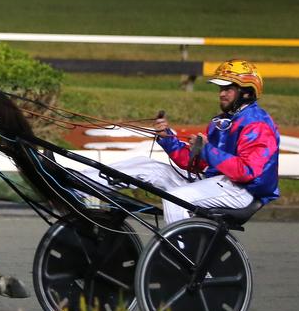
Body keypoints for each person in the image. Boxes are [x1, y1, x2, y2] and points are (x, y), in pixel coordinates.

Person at [110, 59, 280, 225]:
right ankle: (83, 191)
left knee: (175, 199)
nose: (221, 93)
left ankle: (179, 252)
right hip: (216, 182)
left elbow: (247, 171)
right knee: (144, 166)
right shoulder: (221, 122)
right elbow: (194, 163)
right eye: (221, 88)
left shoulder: (257, 124)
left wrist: (208, 150)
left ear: (247, 92)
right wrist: (166, 137)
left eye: (228, 89)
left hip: (242, 191)